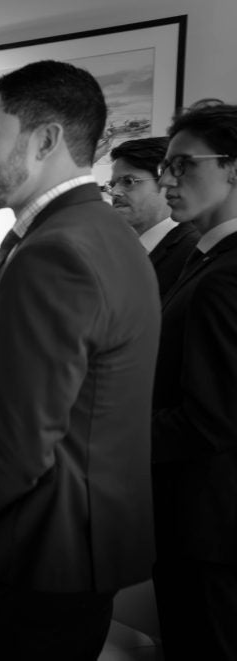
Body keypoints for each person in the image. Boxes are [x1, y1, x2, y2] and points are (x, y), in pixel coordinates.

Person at [0, 60, 160, 660]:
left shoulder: (56, 251)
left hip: (40, 551)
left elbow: (22, 438)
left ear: (46, 139)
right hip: (75, 547)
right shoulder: (100, 231)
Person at [151, 100, 237, 660]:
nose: (169, 179)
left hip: (210, 524)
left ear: (233, 168)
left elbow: (213, 417)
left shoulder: (222, 279)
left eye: (185, 165)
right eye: (167, 166)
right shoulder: (204, 262)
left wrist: (104, 436)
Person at [108, 136, 200, 297]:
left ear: (166, 182)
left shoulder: (192, 253)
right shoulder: (120, 249)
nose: (115, 192)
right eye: (112, 184)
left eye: (128, 181)